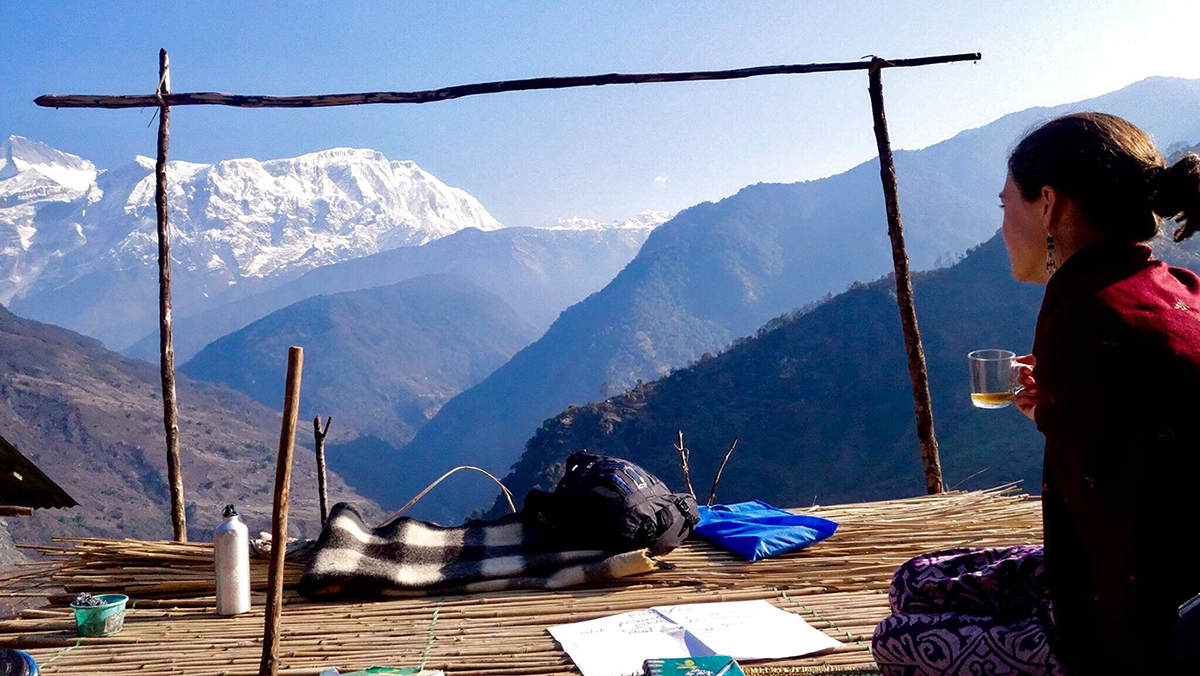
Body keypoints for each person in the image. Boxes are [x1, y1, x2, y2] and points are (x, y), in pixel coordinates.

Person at [872, 112, 1200, 675]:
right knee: (915, 579)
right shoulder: (1173, 287)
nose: (1002, 226)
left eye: (1007, 206)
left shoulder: (1088, 312)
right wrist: (1052, 407)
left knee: (898, 636)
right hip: (1170, 573)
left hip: (1137, 620)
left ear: (1049, 204)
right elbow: (1134, 443)